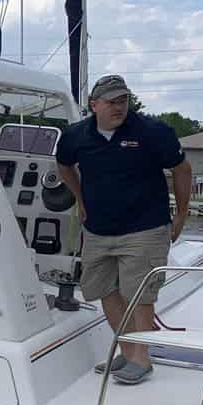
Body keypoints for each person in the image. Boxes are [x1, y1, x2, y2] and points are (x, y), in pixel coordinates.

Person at [56, 74, 192, 385]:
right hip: (98, 229)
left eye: (124, 100)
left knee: (140, 293)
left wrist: (181, 214)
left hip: (144, 227)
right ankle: (129, 349)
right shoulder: (76, 136)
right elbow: (63, 164)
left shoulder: (153, 132)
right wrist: (80, 198)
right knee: (103, 289)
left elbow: (181, 168)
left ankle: (140, 359)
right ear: (94, 105)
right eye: (112, 101)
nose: (119, 107)